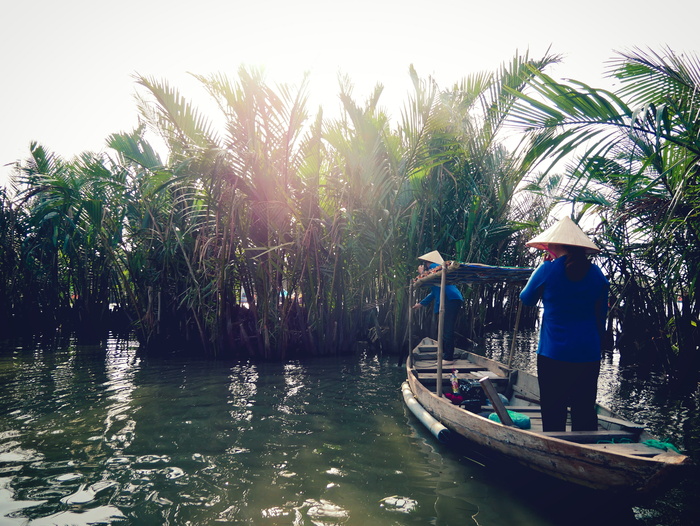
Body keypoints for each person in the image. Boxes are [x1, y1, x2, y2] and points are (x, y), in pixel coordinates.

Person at [519, 216, 609, 432]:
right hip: (588, 352)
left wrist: (540, 272)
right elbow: (601, 317)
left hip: (554, 353)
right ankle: (588, 453)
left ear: (554, 245)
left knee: (553, 409)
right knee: (585, 409)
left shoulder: (547, 269)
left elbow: (526, 298)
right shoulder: (597, 274)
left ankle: (556, 451)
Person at [413, 263, 464, 365]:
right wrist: (421, 304)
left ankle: (448, 358)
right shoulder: (435, 270)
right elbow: (433, 292)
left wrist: (422, 273)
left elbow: (430, 278)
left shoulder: (435, 266)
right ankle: (445, 354)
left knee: (447, 328)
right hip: (451, 298)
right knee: (444, 328)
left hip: (449, 298)